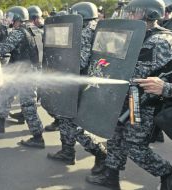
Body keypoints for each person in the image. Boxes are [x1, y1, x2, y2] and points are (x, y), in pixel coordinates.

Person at [86, 0, 172, 189]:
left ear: (149, 14)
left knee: (134, 147)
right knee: (115, 137)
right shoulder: (137, 35)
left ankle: (167, 173)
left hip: (141, 103)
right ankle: (110, 176)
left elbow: (135, 73)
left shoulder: (160, 41)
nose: (130, 16)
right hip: (124, 98)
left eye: (135, 12)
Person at [47, 2, 107, 173]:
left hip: (79, 84)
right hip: (83, 83)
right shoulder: (95, 28)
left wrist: (59, 60)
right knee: (65, 118)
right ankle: (67, 152)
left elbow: (79, 62)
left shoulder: (86, 32)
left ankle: (101, 154)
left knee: (74, 123)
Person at [0, 6, 45, 149]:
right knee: (5, 94)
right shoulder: (34, 29)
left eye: (12, 18)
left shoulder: (19, 32)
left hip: (26, 75)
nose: (10, 21)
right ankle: (0, 123)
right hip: (25, 72)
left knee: (28, 105)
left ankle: (38, 137)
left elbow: (1, 49)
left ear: (18, 18)